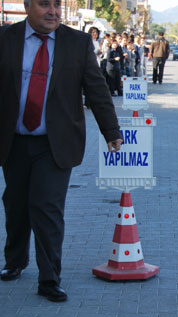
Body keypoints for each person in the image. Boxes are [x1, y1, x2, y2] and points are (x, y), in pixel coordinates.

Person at [0, 0, 123, 301]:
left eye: (57, 5)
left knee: (46, 207)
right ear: (28, 6)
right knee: (15, 204)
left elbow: (96, 89)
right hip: (12, 140)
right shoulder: (6, 39)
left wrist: (111, 131)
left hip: (54, 143)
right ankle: (15, 261)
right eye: (44, 5)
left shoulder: (77, 43)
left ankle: (49, 278)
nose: (53, 11)